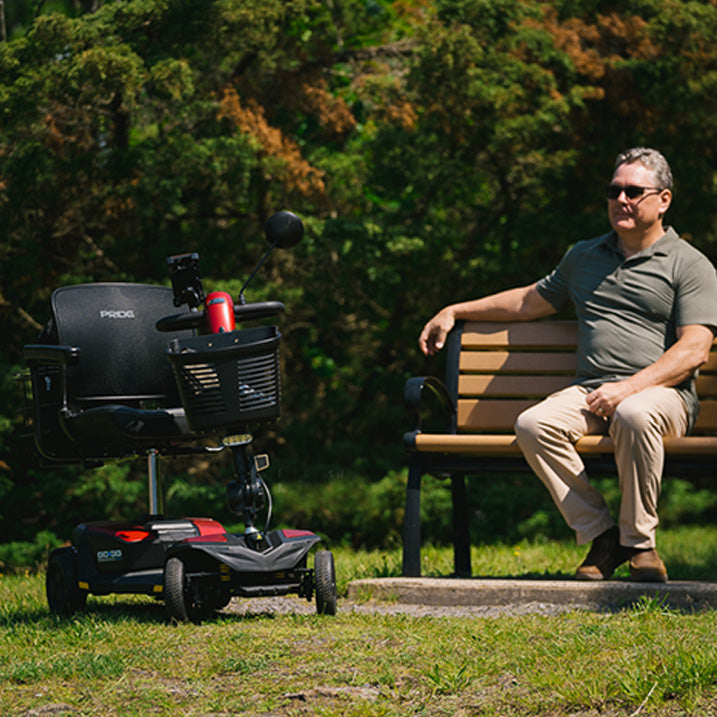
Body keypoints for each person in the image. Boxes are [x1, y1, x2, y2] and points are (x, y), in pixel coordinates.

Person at [418, 147, 717, 582]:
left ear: (664, 200)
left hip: (662, 397)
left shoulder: (689, 265)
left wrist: (629, 388)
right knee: (533, 424)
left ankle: (641, 545)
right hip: (592, 391)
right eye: (615, 191)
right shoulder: (584, 257)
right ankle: (603, 535)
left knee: (634, 414)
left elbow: (693, 350)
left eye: (634, 191)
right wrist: (455, 310)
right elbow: (528, 302)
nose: (622, 200)